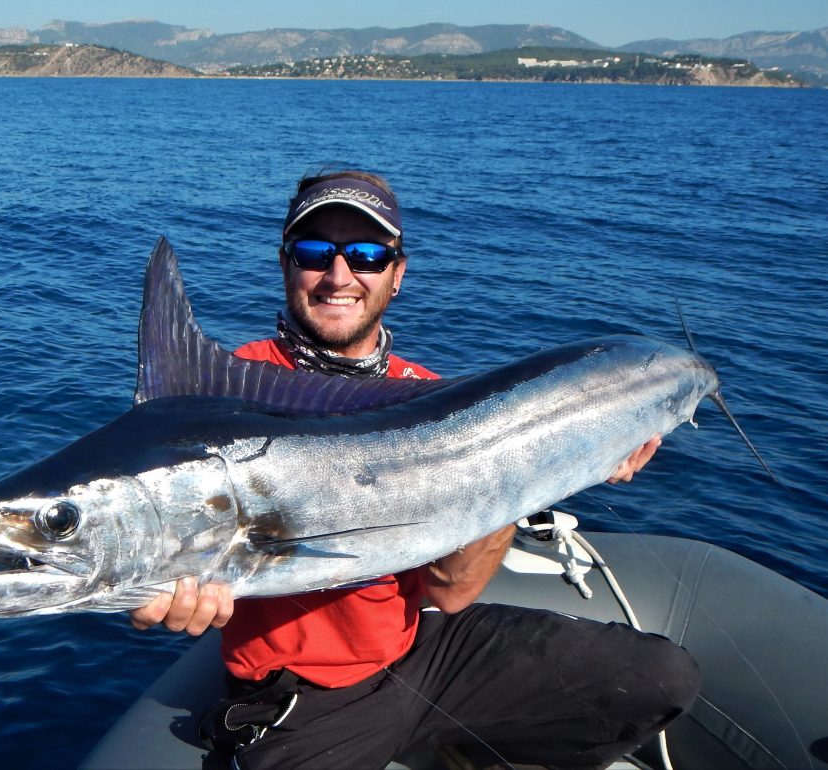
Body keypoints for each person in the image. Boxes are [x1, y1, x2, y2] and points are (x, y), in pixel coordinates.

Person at [131, 171, 698, 770]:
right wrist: (151, 588)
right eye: (315, 251)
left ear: (396, 276)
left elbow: (452, 592)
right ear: (286, 265)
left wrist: (548, 468)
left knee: (663, 677)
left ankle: (472, 748)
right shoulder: (224, 398)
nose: (340, 275)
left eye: (368, 255)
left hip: (423, 648)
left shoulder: (430, 396)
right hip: (303, 699)